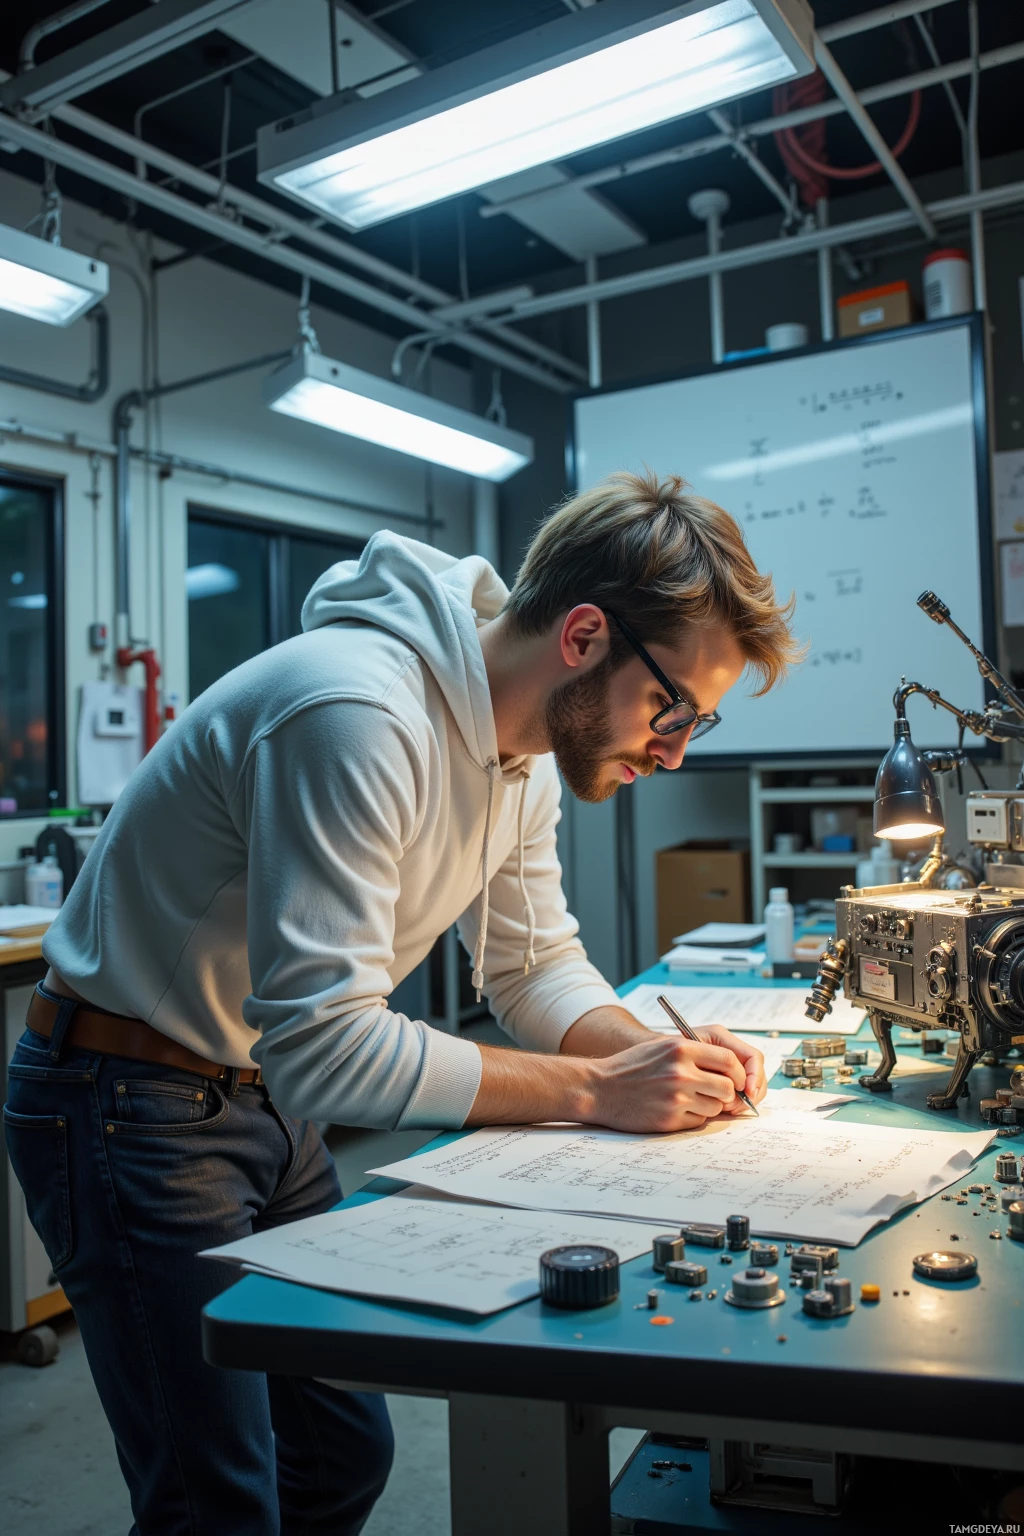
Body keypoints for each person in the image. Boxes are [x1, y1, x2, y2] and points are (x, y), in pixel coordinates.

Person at [4, 469, 798, 1534]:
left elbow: (529, 964)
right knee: (214, 1502)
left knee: (339, 1453)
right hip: (125, 1100)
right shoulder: (357, 712)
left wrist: (657, 1055)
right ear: (581, 636)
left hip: (255, 1099)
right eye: (673, 707)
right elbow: (328, 1052)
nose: (673, 748)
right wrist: (596, 1090)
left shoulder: (521, 753)